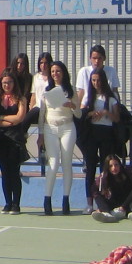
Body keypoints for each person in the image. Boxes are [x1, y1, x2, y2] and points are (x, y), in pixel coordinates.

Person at [79, 68, 122, 215]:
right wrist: (91, 113)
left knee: (105, 169)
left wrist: (106, 113)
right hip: (92, 133)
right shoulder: (88, 97)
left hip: (107, 133)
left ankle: (104, 200)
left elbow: (117, 118)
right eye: (93, 80)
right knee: (90, 168)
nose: (96, 83)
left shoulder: (111, 98)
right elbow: (81, 113)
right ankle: (89, 202)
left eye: (99, 80)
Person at [40, 61, 77, 216]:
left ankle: (66, 200)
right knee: (53, 164)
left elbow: (79, 113)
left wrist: (72, 106)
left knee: (66, 162)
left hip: (67, 126)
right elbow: (42, 114)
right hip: (50, 128)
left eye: (58, 71)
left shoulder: (71, 90)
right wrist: (40, 134)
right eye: (53, 71)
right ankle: (47, 200)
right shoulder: (46, 90)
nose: (55, 74)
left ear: (64, 73)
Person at [0, 71, 29, 213]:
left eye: (10, 82)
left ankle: (16, 204)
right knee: (4, 172)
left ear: (14, 83)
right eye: (5, 82)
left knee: (14, 172)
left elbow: (20, 118)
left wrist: (3, 117)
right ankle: (7, 203)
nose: (7, 85)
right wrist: (5, 122)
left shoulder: (21, 99)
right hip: (1, 138)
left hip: (15, 138)